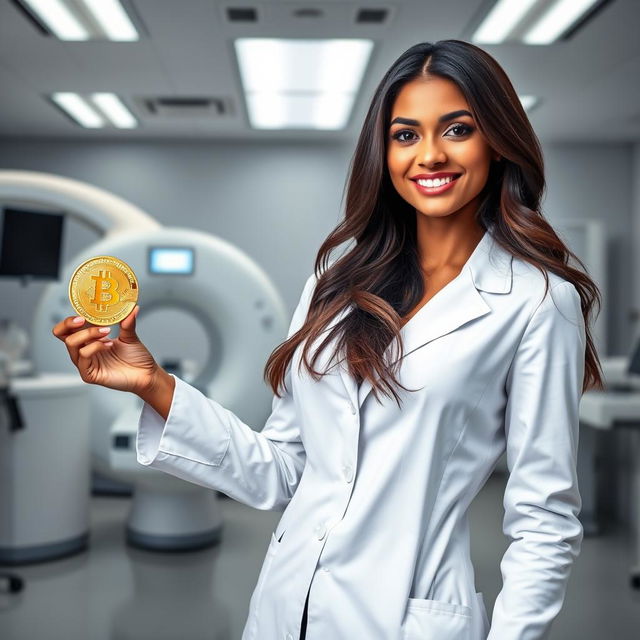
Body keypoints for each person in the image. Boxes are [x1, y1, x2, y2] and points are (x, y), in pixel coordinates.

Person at [53, 39, 603, 640]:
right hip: (288, 605)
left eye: (457, 129)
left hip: (405, 617)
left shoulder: (538, 301)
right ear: (384, 151)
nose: (430, 155)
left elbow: (544, 519)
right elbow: (283, 471)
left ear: (496, 141)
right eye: (406, 134)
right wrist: (153, 386)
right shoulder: (336, 280)